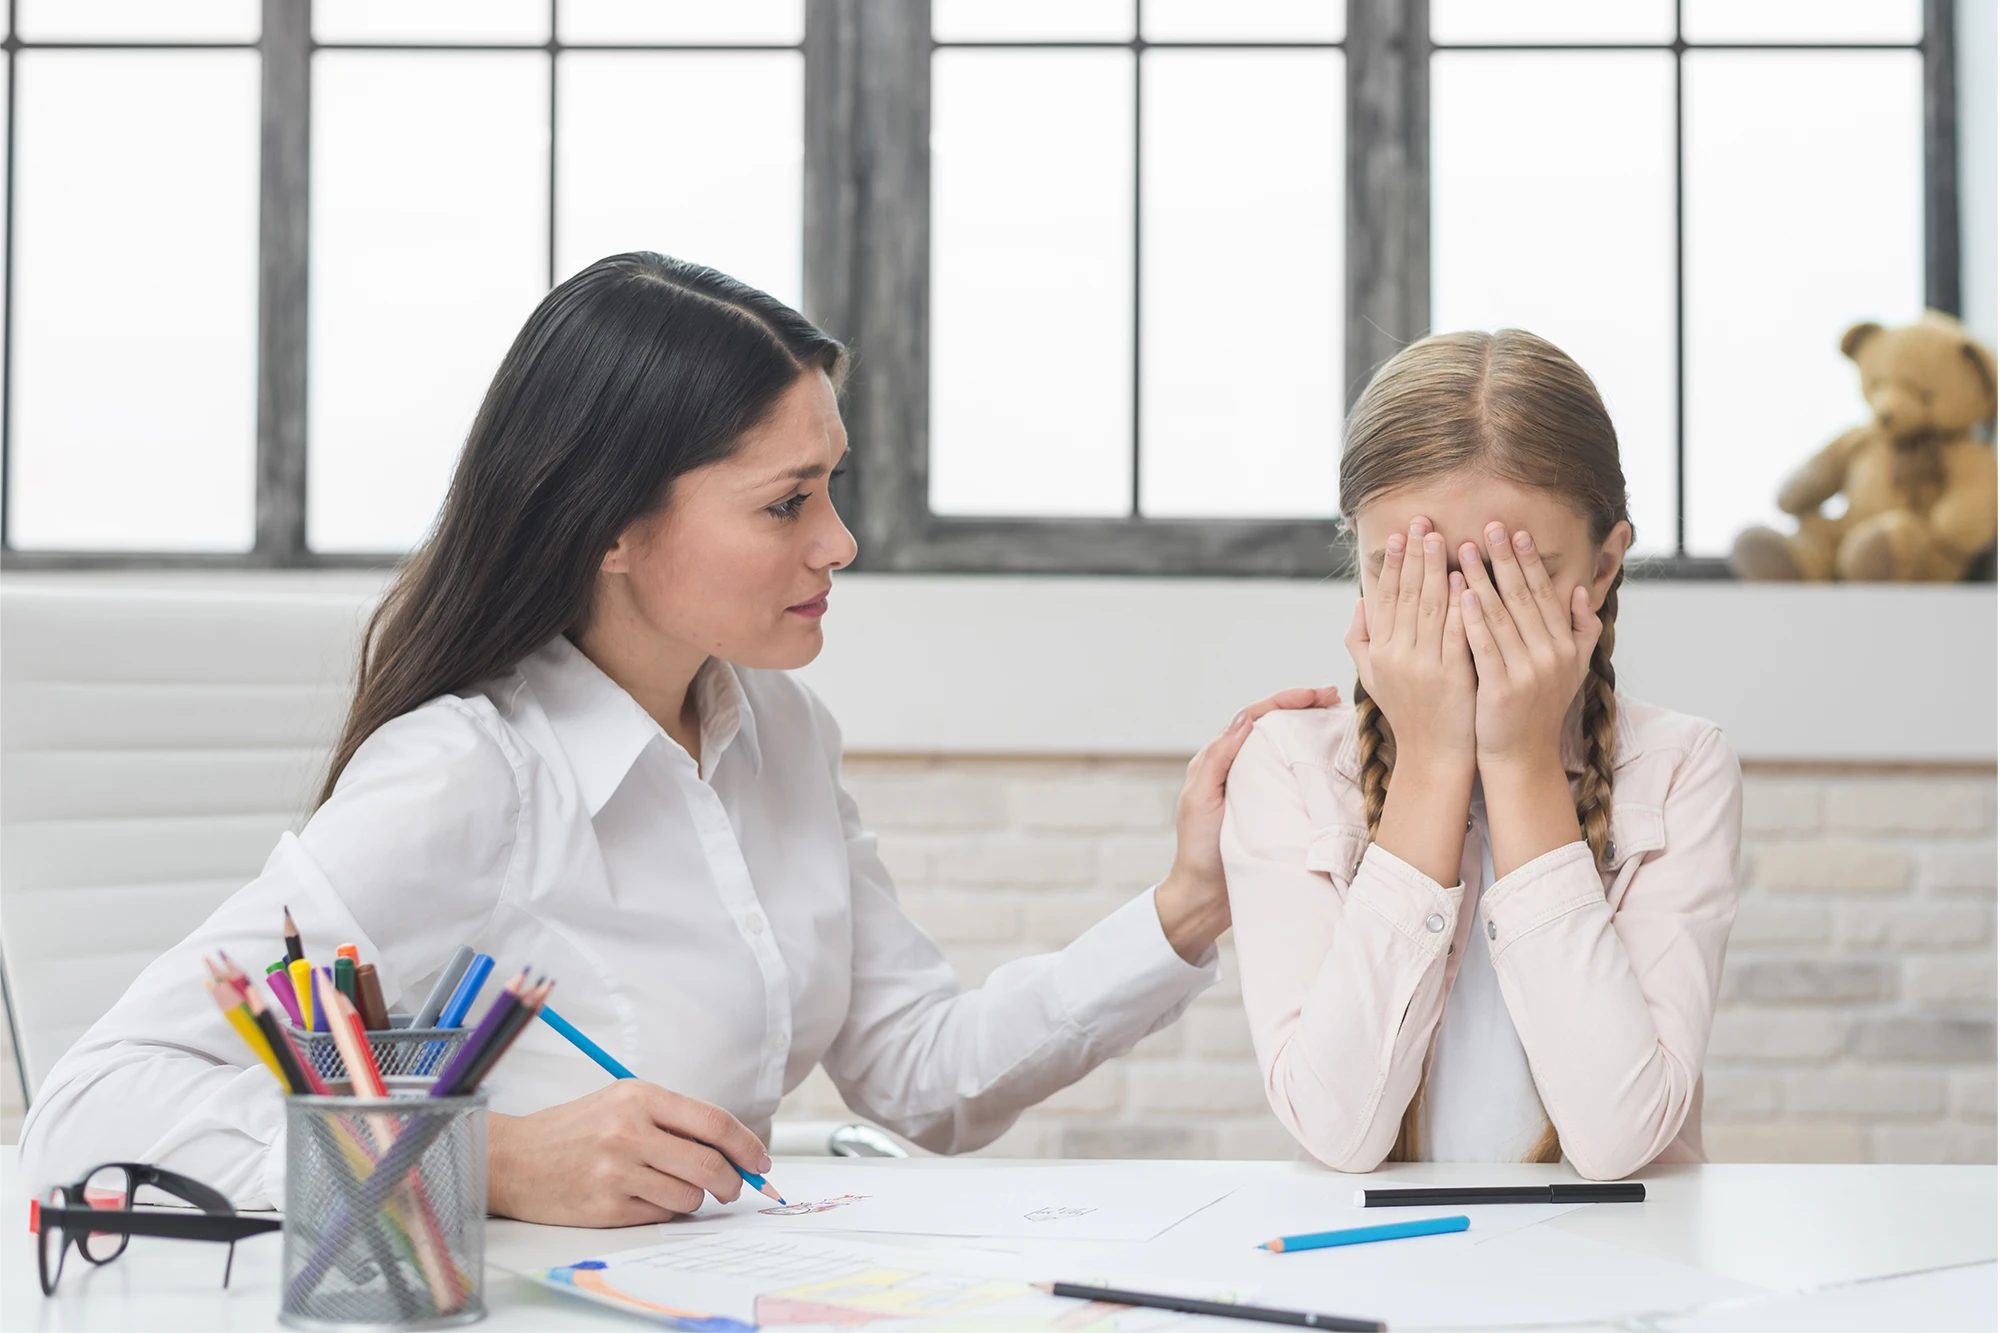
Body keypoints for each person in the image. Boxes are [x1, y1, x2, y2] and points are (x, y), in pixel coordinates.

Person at [20, 254, 1337, 1224]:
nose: (842, 542)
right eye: (786, 502)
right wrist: (489, 1164)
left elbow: (927, 1075)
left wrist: (1187, 903)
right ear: (611, 528)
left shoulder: (782, 732)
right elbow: (91, 1115)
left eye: (835, 487)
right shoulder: (465, 780)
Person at [1221, 330, 1741, 1181]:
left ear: (1605, 567)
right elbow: (1338, 1130)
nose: (1461, 621)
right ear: (1357, 558)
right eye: (1412, 575)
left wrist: (1522, 760)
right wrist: (1430, 763)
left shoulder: (1683, 767)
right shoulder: (1290, 765)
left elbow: (1617, 1138)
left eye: (1510, 577)